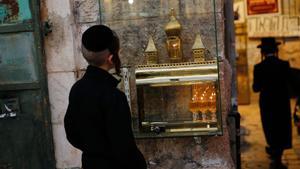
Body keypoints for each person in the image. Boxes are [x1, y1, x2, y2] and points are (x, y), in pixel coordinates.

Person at [64, 25, 147, 169]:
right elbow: (125, 148)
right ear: (110, 57)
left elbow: (72, 134)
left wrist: (93, 150)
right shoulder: (114, 96)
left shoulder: (77, 89)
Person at [253, 37, 292, 169]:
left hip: (267, 103)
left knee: (270, 127)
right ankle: (278, 157)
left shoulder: (258, 67)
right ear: (276, 50)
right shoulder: (284, 65)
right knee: (282, 127)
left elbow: (255, 88)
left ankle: (274, 153)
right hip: (282, 102)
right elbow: (290, 85)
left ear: (262, 53)